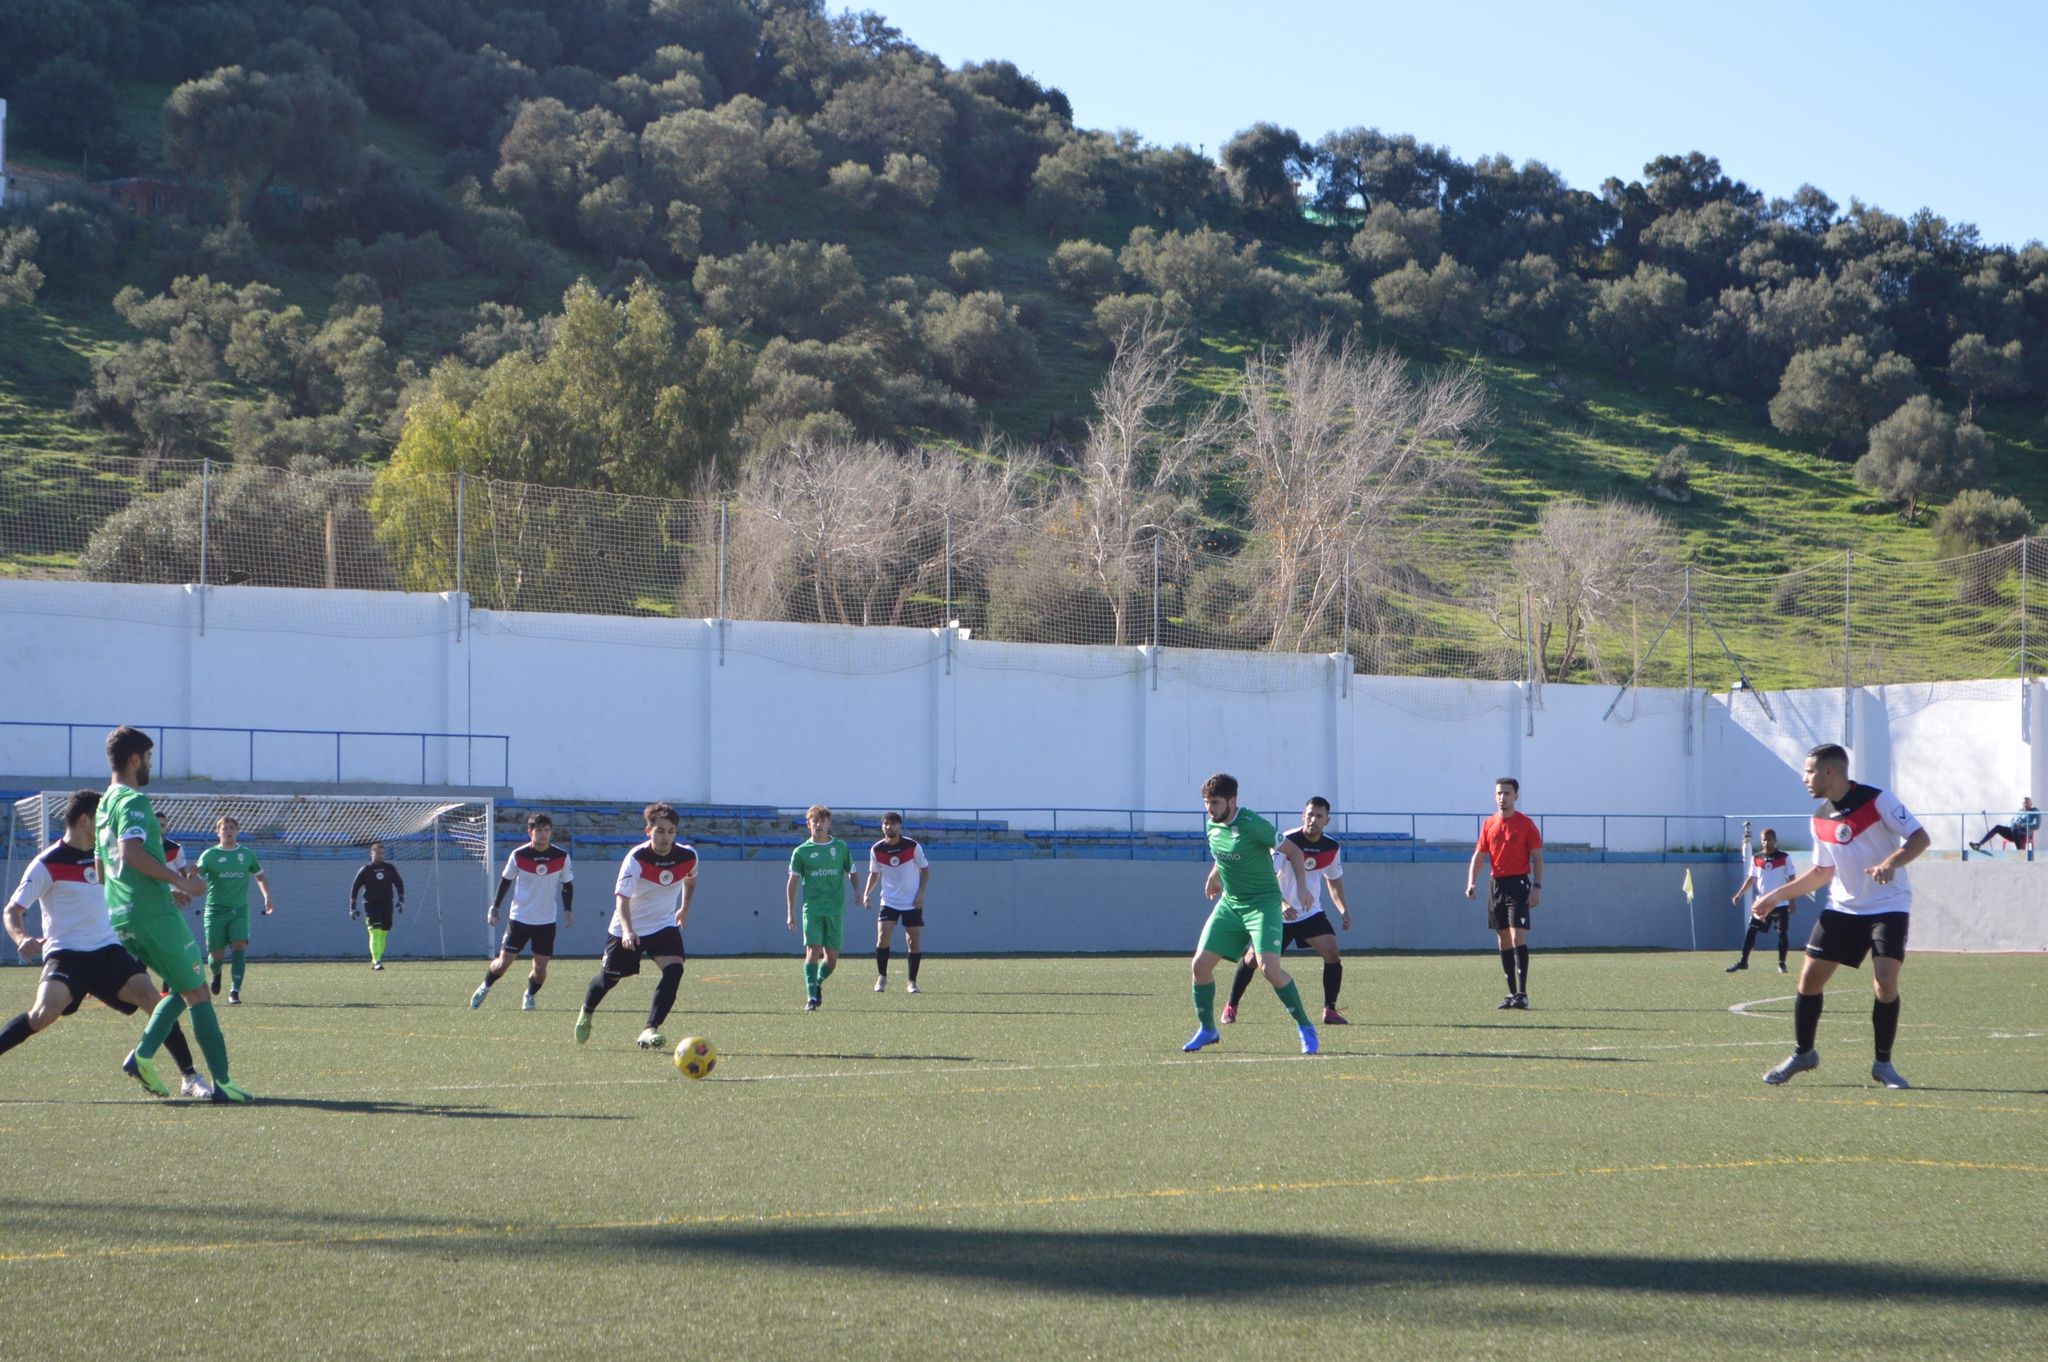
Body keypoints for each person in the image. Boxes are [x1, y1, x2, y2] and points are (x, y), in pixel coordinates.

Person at [2, 789, 213, 1099]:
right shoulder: (47, 863)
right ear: (86, 820)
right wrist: (21, 938)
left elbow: (126, 891)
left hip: (108, 950)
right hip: (67, 954)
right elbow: (12, 910)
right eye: (103, 817)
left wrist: (169, 895)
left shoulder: (107, 855)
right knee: (42, 1014)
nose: (108, 823)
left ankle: (190, 1077)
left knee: (150, 996)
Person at [1751, 743, 1928, 1089]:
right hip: (1843, 909)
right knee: (1808, 981)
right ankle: (1804, 1053)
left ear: (1829, 772)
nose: (1804, 779)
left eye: (1808, 771)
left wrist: (1890, 863)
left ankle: (1883, 1064)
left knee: (1885, 982)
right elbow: (1821, 872)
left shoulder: (1879, 801)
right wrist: (1775, 896)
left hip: (1888, 906)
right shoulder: (1819, 819)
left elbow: (1920, 838)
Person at [95, 726, 251, 1102]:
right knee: (198, 991)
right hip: (151, 914)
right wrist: (179, 884)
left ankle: (144, 1056)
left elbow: (103, 870)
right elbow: (132, 853)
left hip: (123, 914)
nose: (150, 764)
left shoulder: (103, 805)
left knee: (185, 986)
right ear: (135, 759)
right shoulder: (132, 800)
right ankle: (224, 1085)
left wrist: (160, 887)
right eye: (148, 758)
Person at [1183, 774, 1321, 1056]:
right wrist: (1214, 876)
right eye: (1207, 803)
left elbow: (1293, 851)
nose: (1210, 809)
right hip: (1231, 903)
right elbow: (1223, 855)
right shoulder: (1213, 824)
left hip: (1263, 904)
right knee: (1200, 966)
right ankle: (1208, 1029)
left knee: (1269, 969)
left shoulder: (1253, 824)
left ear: (1232, 801)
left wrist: (1303, 888)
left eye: (1215, 803)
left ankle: (1306, 1027)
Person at [1223, 795, 1353, 1026]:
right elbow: (1267, 878)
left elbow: (1333, 881)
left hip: (1310, 913)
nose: (1313, 819)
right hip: (1277, 911)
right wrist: (1282, 904)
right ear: (1303, 815)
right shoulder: (1286, 841)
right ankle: (1231, 1006)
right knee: (1253, 959)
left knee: (1332, 951)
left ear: (1327, 821)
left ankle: (1329, 1010)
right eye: (1310, 814)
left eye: (1319, 816)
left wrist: (1343, 909)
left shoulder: (1331, 847)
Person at [576, 803, 694, 1048]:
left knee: (675, 971)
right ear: (648, 831)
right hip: (628, 927)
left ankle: (649, 1029)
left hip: (663, 925)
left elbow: (691, 879)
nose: (666, 837)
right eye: (660, 831)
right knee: (609, 979)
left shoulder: (688, 855)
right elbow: (622, 898)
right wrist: (628, 930)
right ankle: (586, 1011)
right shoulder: (637, 858)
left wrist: (684, 908)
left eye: (671, 831)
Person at [473, 813, 574, 1011]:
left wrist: (568, 910)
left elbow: (567, 884)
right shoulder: (518, 855)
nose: (543, 834)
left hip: (546, 922)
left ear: (550, 832)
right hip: (519, 919)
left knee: (540, 968)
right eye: (539, 830)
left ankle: (529, 994)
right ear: (530, 832)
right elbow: (505, 881)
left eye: (546, 830)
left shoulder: (561, 856)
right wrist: (495, 907)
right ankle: (485, 986)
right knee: (502, 964)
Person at [1464, 776, 1544, 1010]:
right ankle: (1510, 994)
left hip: (1518, 884)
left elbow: (1538, 858)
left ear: (1516, 796)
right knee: (1502, 939)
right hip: (1496, 885)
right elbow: (1479, 855)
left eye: (1507, 793)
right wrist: (1472, 882)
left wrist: (1536, 887)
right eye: (1499, 793)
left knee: (1518, 936)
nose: (1502, 797)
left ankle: (1523, 993)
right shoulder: (1489, 823)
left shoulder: (1526, 824)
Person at [196, 815, 273, 1004]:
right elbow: (196, 874)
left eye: (231, 827)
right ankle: (216, 973)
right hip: (215, 911)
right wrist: (190, 877)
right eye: (224, 828)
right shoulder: (209, 855)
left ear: (237, 831)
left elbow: (260, 876)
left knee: (239, 945)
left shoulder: (246, 854)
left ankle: (235, 991)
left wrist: (267, 897)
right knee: (216, 955)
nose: (228, 830)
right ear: (218, 832)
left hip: (239, 910)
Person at [788, 805, 855, 1012]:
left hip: (835, 910)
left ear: (828, 824)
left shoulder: (841, 848)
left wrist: (859, 891)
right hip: (813, 909)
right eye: (814, 821)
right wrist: (790, 911)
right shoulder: (801, 852)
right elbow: (792, 882)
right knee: (813, 950)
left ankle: (817, 982)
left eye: (821, 821)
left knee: (831, 960)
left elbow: (852, 871)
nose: (818, 824)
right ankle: (811, 998)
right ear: (808, 824)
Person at [863, 812, 930, 993]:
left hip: (911, 901)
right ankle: (882, 977)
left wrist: (920, 894)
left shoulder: (912, 846)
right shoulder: (877, 849)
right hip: (889, 901)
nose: (888, 827)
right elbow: (874, 874)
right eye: (885, 824)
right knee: (882, 937)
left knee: (913, 940)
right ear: (882, 826)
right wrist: (867, 893)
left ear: (899, 826)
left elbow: (925, 869)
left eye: (892, 824)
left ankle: (912, 981)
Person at [1727, 827, 1797, 973]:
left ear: (1775, 840)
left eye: (1769, 839)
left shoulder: (1784, 857)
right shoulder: (1756, 858)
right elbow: (1751, 878)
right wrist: (1739, 894)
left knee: (1782, 933)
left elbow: (1792, 879)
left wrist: (1792, 901)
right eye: (1764, 840)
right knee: (1751, 930)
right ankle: (1743, 961)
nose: (1766, 842)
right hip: (1762, 904)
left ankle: (1782, 963)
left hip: (1780, 903)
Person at [348, 842, 405, 969]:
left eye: (382, 853)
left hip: (387, 904)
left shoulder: (390, 868)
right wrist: (352, 907)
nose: (381, 856)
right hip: (370, 905)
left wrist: (401, 900)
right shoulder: (366, 870)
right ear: (372, 854)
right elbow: (355, 887)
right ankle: (377, 961)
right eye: (378, 853)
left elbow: (398, 883)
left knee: (383, 933)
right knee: (375, 932)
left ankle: (377, 959)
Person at [1969, 797, 2038, 853]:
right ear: (2022, 804)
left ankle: (2020, 853)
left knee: (2015, 829)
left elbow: (2036, 825)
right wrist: (2006, 827)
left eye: (2027, 803)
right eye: (2024, 803)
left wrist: (2022, 825)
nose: (2025, 805)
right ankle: (1978, 845)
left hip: (2024, 833)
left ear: (2031, 804)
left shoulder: (2034, 812)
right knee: (1998, 827)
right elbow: (2011, 822)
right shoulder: (2019, 811)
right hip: (2012, 831)